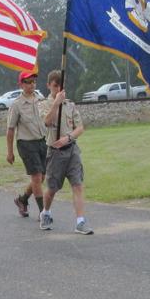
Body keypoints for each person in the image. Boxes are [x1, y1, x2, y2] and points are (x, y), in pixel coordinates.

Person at [39, 69, 93, 235]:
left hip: (72, 149)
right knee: (52, 188)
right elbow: (47, 122)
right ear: (49, 85)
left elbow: (80, 127)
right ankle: (45, 212)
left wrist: (68, 138)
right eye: (55, 86)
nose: (58, 89)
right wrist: (56, 103)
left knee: (77, 185)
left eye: (61, 86)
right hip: (55, 152)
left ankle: (80, 222)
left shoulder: (70, 105)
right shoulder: (43, 104)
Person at [6, 70, 47, 218]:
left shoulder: (40, 99)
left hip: (42, 141)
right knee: (36, 178)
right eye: (28, 82)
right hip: (26, 144)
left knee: (41, 178)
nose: (32, 85)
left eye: (34, 82)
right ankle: (43, 213)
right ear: (21, 84)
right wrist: (10, 152)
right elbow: (10, 130)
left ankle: (22, 200)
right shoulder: (16, 104)